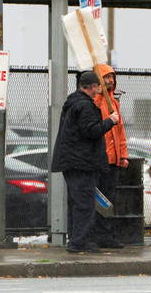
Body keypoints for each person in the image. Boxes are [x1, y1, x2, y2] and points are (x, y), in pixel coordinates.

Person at [51, 71, 120, 253]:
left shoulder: (72, 103)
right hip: (82, 162)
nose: (99, 89)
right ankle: (79, 242)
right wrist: (110, 121)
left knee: (77, 202)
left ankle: (77, 238)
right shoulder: (85, 106)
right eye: (97, 86)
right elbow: (91, 131)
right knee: (85, 204)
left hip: (72, 161)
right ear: (90, 86)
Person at [90, 64, 129, 249]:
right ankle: (96, 234)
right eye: (107, 77)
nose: (111, 81)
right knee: (98, 199)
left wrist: (123, 155)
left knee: (108, 199)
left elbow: (119, 132)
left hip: (112, 160)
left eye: (112, 77)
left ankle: (106, 235)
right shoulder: (95, 102)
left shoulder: (114, 103)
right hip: (100, 159)